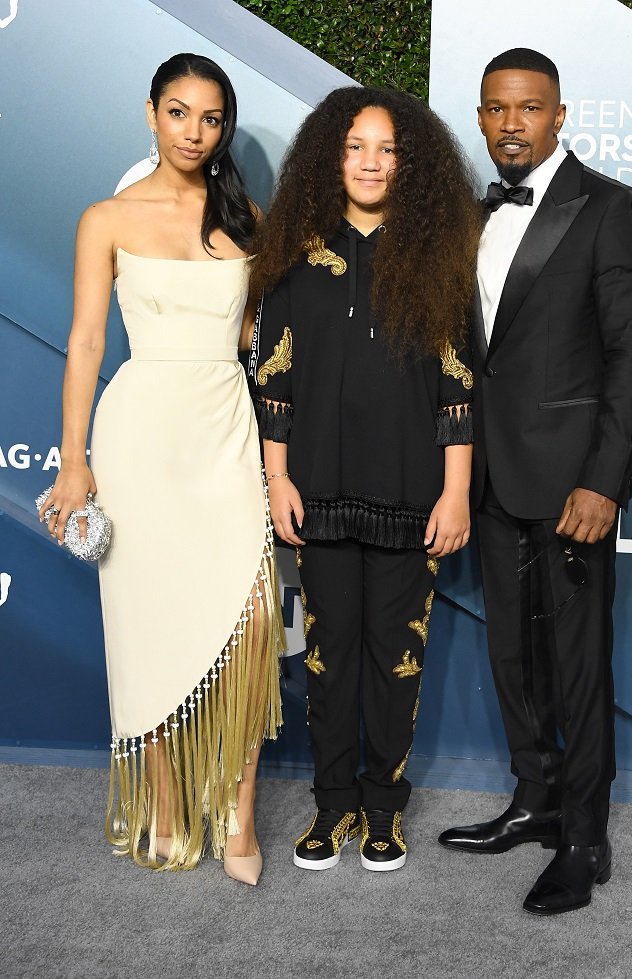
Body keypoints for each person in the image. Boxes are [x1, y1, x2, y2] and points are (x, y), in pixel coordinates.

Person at [38, 53, 284, 885]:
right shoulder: (104, 218)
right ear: (151, 114)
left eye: (211, 118)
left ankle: (240, 815)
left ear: (224, 128)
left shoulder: (248, 216)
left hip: (224, 431)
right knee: (146, 628)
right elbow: (85, 344)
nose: (194, 131)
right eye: (178, 113)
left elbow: (259, 343)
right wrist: (76, 463)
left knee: (251, 628)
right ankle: (169, 807)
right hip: (140, 434)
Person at [438, 48, 632, 915]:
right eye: (495, 109)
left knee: (576, 664)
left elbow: (629, 357)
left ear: (560, 115)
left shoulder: (613, 210)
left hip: (573, 482)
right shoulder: (473, 213)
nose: (509, 124)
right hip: (490, 474)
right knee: (511, 653)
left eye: (528, 109)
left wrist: (605, 480)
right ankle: (533, 799)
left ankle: (584, 835)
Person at [250, 86, 481, 872]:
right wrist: (276, 477)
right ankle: (331, 807)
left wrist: (456, 492)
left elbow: (458, 387)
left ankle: (383, 810)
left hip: (414, 497)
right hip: (315, 492)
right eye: (355, 146)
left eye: (387, 149)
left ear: (409, 164)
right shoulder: (293, 255)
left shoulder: (439, 257)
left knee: (397, 659)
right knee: (327, 657)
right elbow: (273, 385)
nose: (371, 162)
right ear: (329, 155)